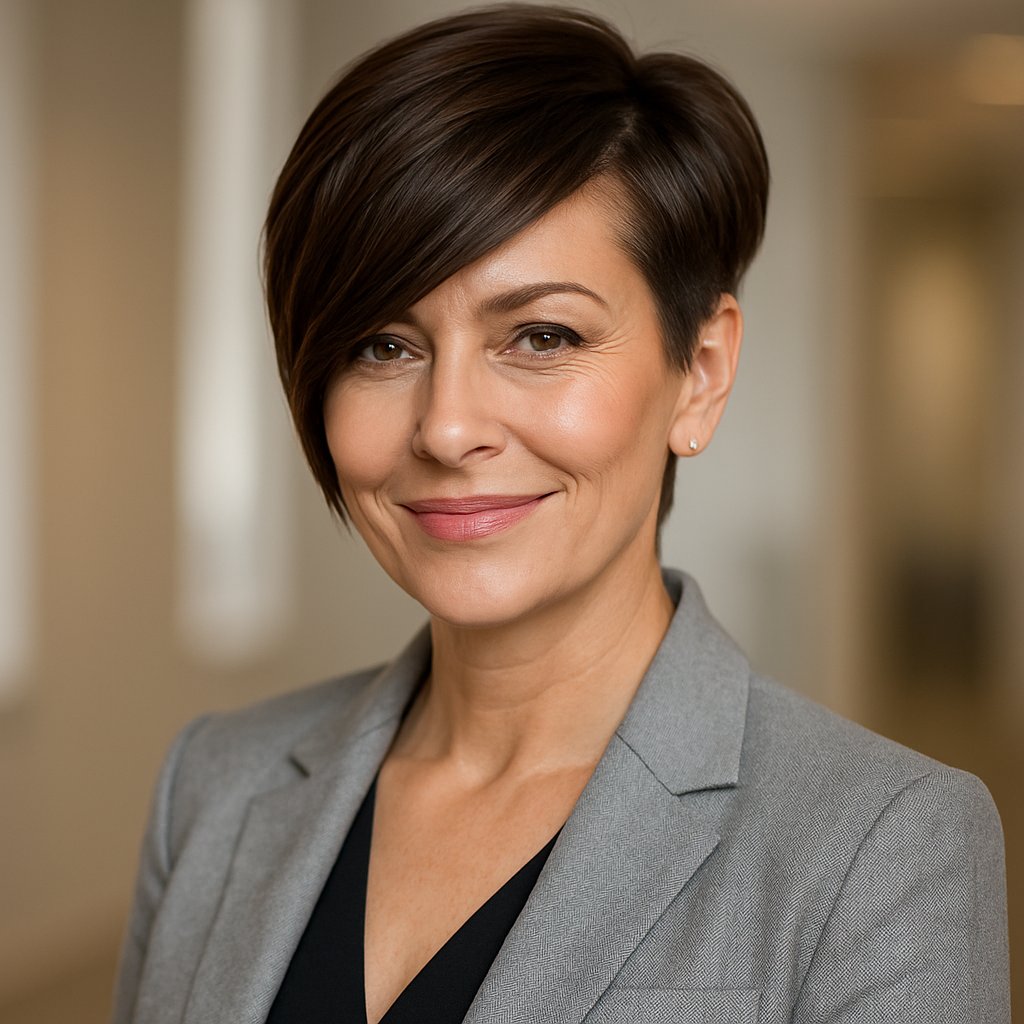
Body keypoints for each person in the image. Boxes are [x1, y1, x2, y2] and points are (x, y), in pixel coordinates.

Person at [111, 6, 1010, 1023]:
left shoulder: (879, 846)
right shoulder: (214, 784)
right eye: (382, 346)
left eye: (541, 336)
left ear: (700, 371)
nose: (447, 427)